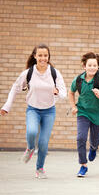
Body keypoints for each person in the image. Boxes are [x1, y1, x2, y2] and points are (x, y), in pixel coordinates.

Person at [1, 44, 67, 179]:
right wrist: (7, 106)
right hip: (33, 110)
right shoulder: (28, 73)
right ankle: (30, 148)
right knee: (31, 132)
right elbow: (15, 88)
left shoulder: (54, 73)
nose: (43, 58)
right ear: (35, 56)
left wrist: (58, 92)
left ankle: (40, 168)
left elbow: (64, 94)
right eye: (40, 55)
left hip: (49, 111)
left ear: (48, 57)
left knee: (43, 142)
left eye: (45, 55)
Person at [68, 52, 99, 178]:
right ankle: (83, 165)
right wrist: (73, 107)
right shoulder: (78, 80)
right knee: (81, 138)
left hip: (98, 115)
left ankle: (93, 148)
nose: (92, 67)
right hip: (83, 112)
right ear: (84, 66)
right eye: (90, 65)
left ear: (98, 67)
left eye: (95, 65)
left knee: (94, 141)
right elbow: (71, 92)